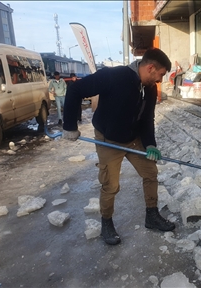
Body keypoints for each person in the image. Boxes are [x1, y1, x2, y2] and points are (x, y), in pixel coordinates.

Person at [62, 48, 174, 245]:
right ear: (150, 67)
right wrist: (70, 126)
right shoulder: (114, 76)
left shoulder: (149, 89)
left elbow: (147, 118)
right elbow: (75, 89)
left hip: (133, 138)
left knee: (150, 173)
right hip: (108, 139)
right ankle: (107, 223)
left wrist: (150, 144)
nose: (160, 80)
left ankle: (152, 215)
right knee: (110, 184)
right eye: (161, 75)